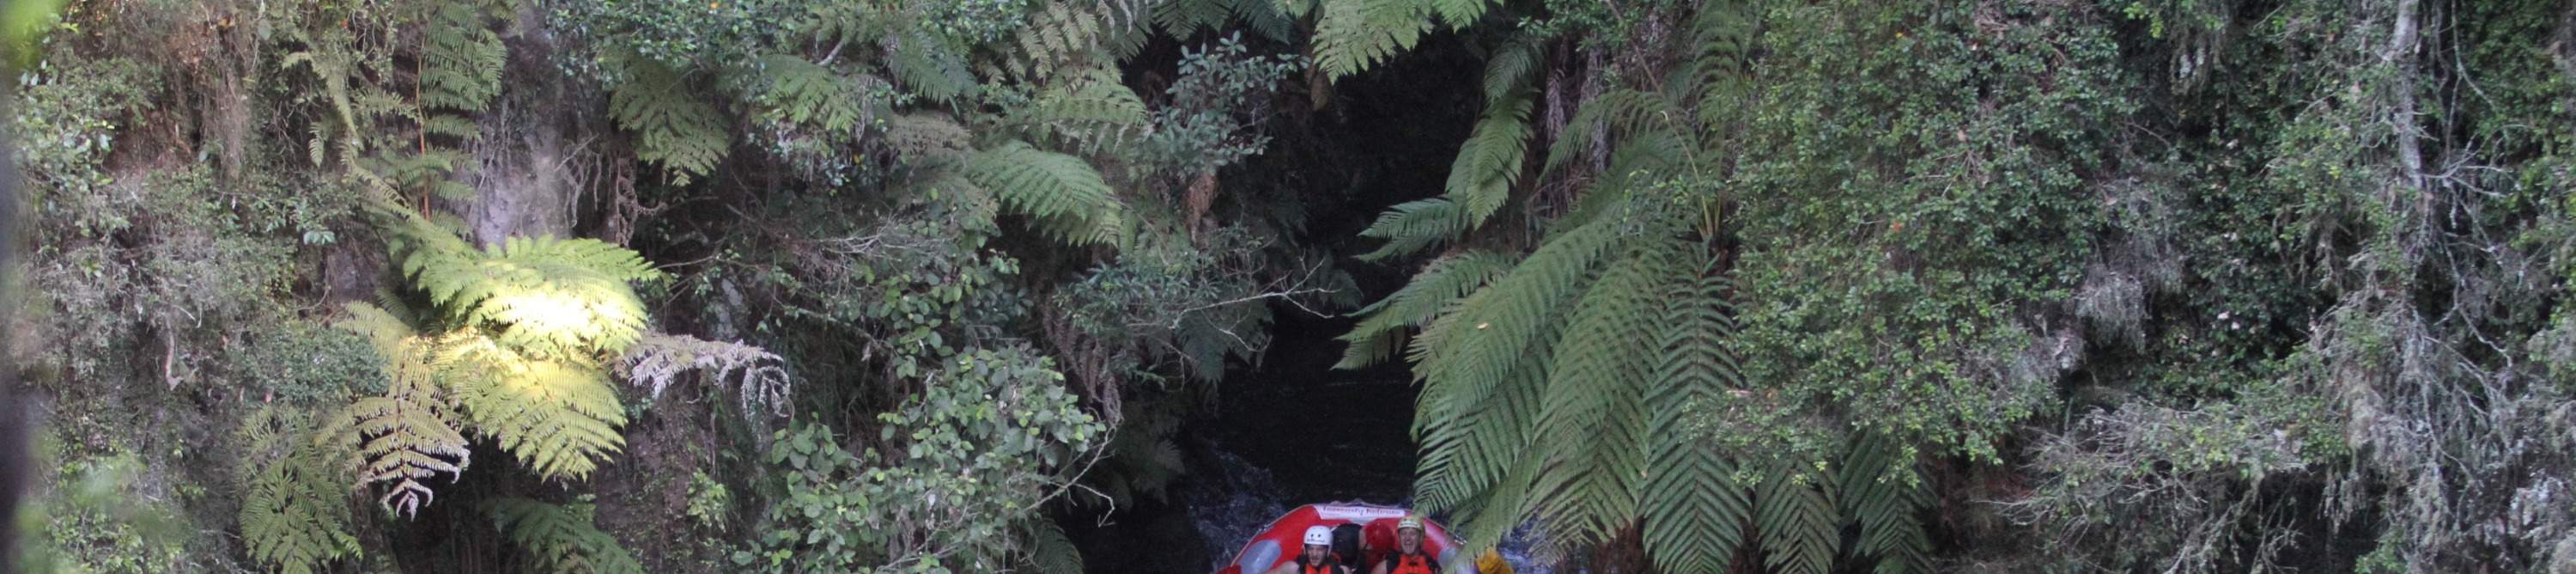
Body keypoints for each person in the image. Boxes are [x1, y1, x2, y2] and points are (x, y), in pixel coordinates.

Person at [1267, 525, 1353, 574]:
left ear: (1328, 551)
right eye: (1311, 549)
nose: (1314, 554)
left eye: (1320, 550)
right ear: (1305, 549)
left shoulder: (1342, 572)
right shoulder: (1292, 569)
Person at [1370, 515, 1439, 574]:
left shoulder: (1432, 566)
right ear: (1399, 537)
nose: (1407, 538)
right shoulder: (1386, 567)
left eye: (1412, 533)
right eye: (1403, 534)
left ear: (1420, 537)